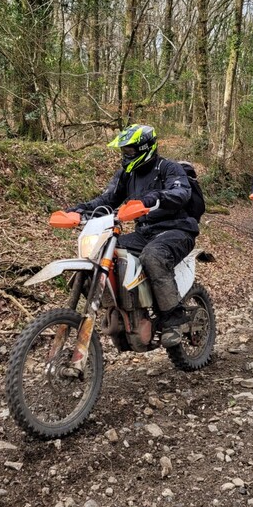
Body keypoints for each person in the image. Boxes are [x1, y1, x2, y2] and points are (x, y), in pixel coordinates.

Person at [65, 124, 199, 347]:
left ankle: (172, 320)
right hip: (145, 232)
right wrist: (77, 210)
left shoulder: (169, 168)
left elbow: (181, 192)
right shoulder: (127, 174)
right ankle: (124, 311)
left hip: (177, 230)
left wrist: (152, 199)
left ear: (145, 148)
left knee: (152, 256)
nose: (125, 154)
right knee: (101, 253)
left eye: (129, 150)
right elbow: (107, 200)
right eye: (123, 150)